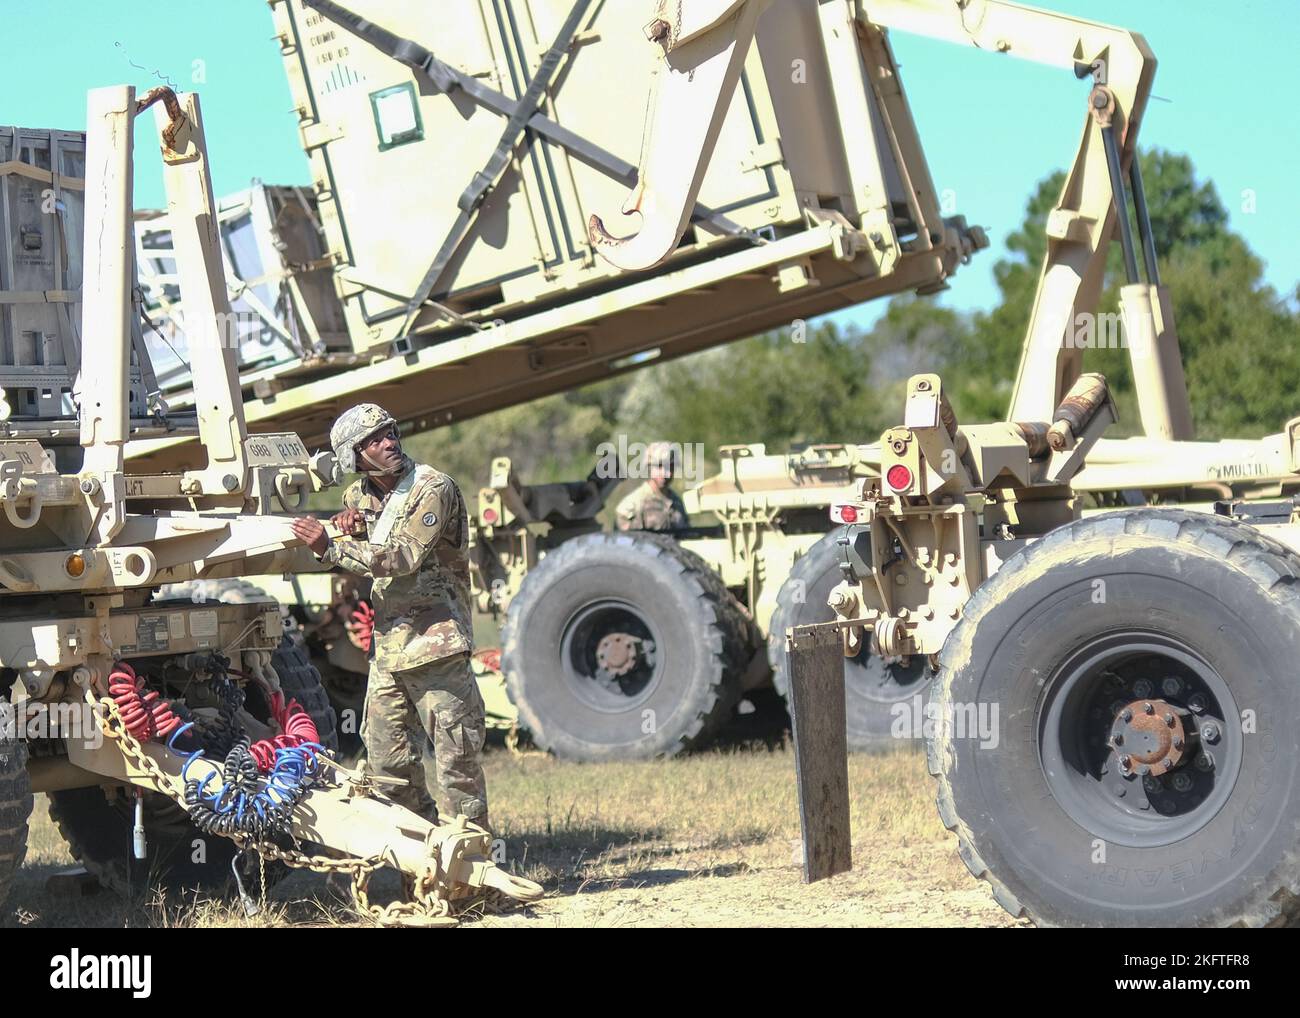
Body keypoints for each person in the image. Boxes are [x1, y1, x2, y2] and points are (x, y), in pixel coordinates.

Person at [290, 403, 489, 833]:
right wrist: (352, 524)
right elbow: (372, 529)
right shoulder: (356, 496)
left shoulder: (432, 487)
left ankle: (473, 877)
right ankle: (425, 860)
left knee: (457, 762)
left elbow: (403, 555)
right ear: (354, 457)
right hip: (390, 653)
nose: (388, 443)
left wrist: (331, 545)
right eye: (374, 441)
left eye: (390, 433)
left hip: (437, 646)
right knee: (387, 766)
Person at [615, 441, 688, 532]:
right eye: (660, 466)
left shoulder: (677, 503)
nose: (667, 474)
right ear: (649, 467)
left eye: (671, 467)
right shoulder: (631, 506)